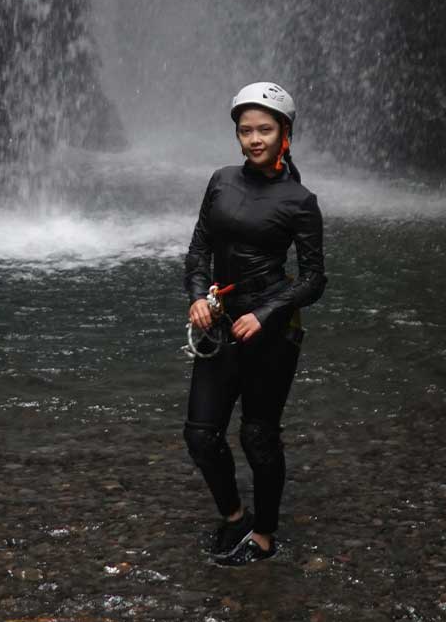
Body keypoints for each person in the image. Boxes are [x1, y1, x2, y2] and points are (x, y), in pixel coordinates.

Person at [183, 81, 327, 564]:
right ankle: (234, 517)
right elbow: (200, 246)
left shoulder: (300, 201)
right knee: (201, 435)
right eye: (246, 131)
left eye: (265, 129)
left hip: (272, 331)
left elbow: (313, 279)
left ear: (284, 132)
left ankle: (263, 537)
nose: (255, 139)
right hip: (220, 321)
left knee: (257, 435)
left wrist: (265, 312)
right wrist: (197, 297)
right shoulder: (221, 180)